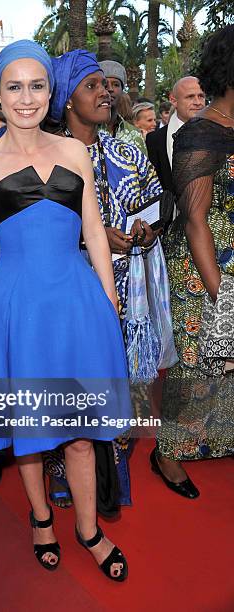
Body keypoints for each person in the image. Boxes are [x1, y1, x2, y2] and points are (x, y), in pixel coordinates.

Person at [0, 39, 130, 580]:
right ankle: (39, 518)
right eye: (14, 87)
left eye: (36, 86)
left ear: (49, 91)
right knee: (28, 424)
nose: (25, 98)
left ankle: (87, 528)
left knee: (80, 430)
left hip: (76, 303)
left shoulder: (76, 152)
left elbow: (95, 231)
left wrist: (108, 299)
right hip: (15, 309)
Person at [46, 49, 163, 510]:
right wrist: (88, 240)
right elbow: (34, 228)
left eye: (107, 85)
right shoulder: (48, 159)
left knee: (122, 388)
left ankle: (111, 482)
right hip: (72, 291)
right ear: (67, 100)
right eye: (92, 86)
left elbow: (155, 198)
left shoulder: (127, 150)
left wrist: (146, 226)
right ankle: (66, 478)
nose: (106, 94)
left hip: (127, 295)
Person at [153, 25, 234, 498]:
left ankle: (216, 436)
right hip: (205, 264)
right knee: (197, 363)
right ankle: (166, 454)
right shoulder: (201, 131)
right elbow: (195, 219)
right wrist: (221, 294)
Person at [147, 77, 206, 193]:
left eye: (201, 96)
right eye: (190, 97)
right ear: (173, 100)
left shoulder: (219, 134)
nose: (198, 102)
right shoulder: (155, 140)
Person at [99, 60, 147, 155]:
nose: (110, 89)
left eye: (116, 84)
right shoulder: (86, 130)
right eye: (105, 84)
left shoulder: (134, 134)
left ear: (122, 91)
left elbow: (144, 168)